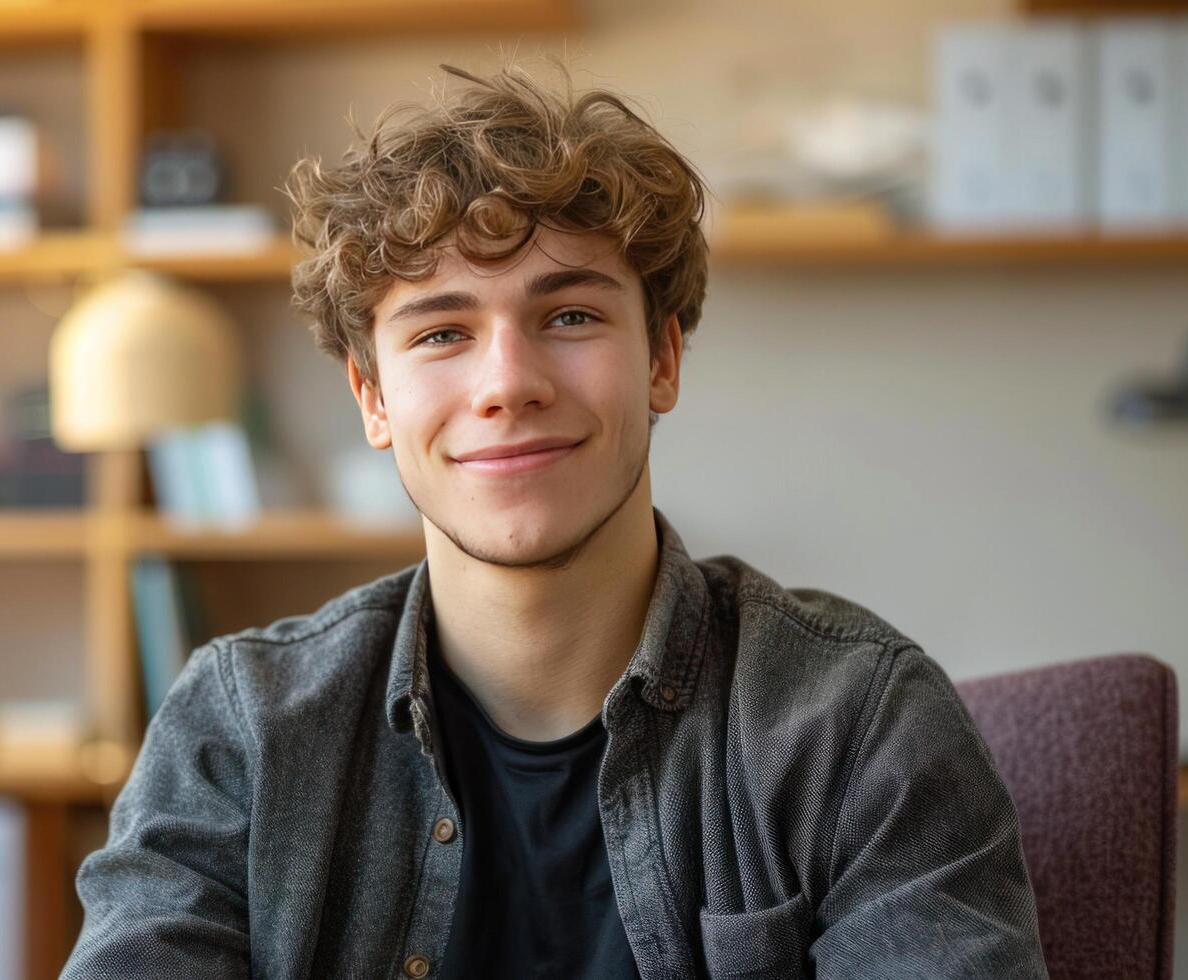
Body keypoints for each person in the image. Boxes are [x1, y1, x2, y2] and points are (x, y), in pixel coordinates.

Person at [62, 62, 1048, 979]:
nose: (507, 385)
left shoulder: (856, 725)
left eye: (569, 315)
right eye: (442, 331)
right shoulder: (241, 731)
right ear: (371, 396)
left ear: (662, 359)